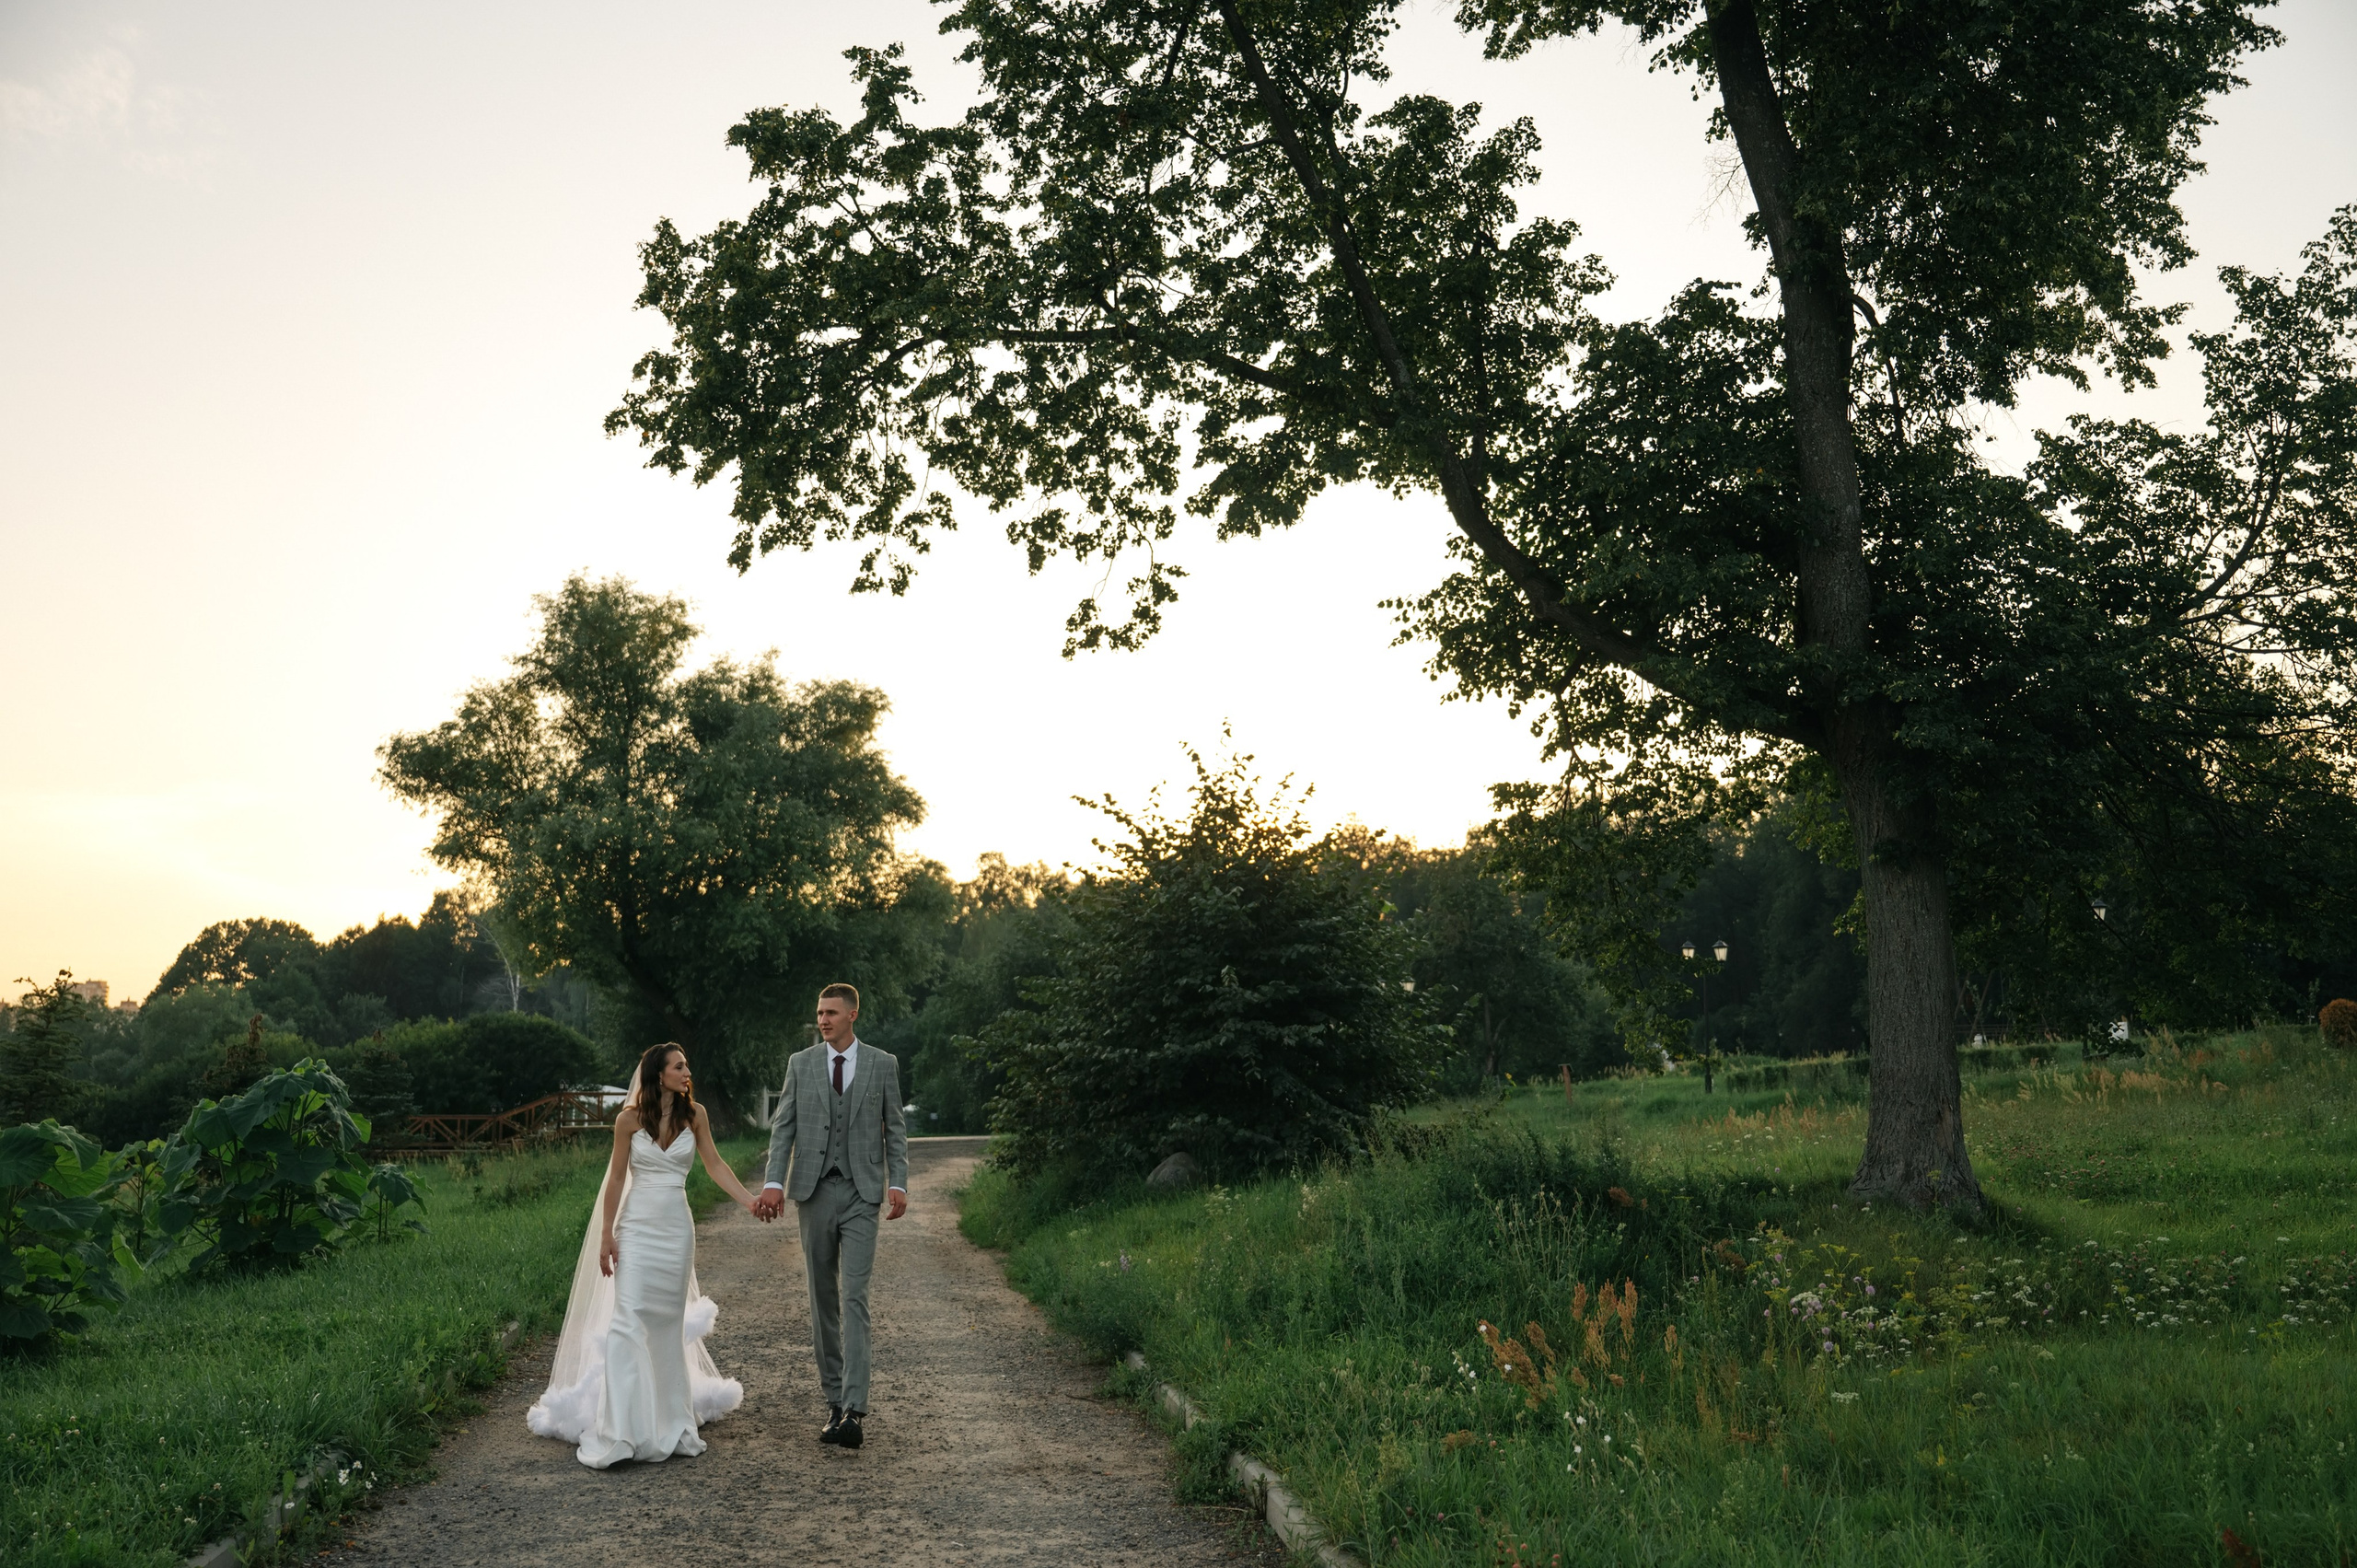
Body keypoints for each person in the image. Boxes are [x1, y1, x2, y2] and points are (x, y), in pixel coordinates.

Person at [526, 1042, 762, 1468]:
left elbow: (715, 1165)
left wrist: (749, 1201)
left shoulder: (696, 1115)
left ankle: (669, 1421)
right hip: (635, 1228)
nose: (687, 1071)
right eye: (679, 1066)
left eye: (687, 1064)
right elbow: (616, 1179)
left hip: (676, 1229)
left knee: (666, 1327)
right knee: (629, 1321)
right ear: (658, 1074)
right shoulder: (628, 1121)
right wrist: (606, 1235)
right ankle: (622, 1430)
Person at [753, 982, 910, 1450]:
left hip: (863, 1193)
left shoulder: (883, 1064)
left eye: (831, 1013)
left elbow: (896, 1128)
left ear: (853, 1015)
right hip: (814, 1191)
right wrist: (774, 1182)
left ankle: (855, 1412)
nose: (823, 1020)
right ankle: (834, 1403)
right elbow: (783, 1128)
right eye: (819, 1013)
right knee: (822, 1298)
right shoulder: (800, 1065)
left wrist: (897, 1183)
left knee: (854, 1297)